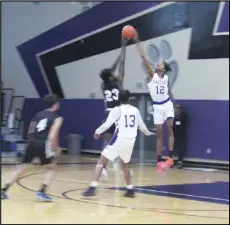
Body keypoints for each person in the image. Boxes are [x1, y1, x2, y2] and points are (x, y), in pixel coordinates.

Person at [82, 90, 154, 198]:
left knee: (101, 161)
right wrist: (149, 133)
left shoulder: (117, 109)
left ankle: (92, 187)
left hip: (119, 139)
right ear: (129, 99)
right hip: (130, 141)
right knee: (124, 165)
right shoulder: (135, 110)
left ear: (118, 99)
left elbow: (107, 124)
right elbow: (142, 127)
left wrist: (97, 131)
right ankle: (130, 190)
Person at [1, 94, 63, 202]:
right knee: (51, 167)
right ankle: (42, 192)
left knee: (22, 168)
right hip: (43, 143)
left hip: (31, 141)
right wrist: (56, 148)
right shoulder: (57, 118)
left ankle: (3, 190)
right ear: (55, 104)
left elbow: (30, 130)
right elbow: (53, 135)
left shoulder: (38, 115)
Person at [134, 34, 175, 172]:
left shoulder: (166, 77)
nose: (159, 63)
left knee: (170, 129)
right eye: (159, 63)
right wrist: (137, 42)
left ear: (163, 68)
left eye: (161, 63)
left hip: (167, 104)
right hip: (157, 107)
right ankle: (158, 160)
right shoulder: (153, 75)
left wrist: (172, 102)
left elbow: (168, 91)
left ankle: (170, 157)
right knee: (159, 133)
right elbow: (145, 60)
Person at [100, 36, 127, 179]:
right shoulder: (118, 83)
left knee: (107, 140)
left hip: (107, 114)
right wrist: (123, 52)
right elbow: (120, 68)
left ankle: (103, 166)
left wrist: (121, 52)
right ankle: (122, 165)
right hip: (117, 113)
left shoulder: (103, 85)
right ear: (110, 76)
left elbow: (111, 70)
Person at [173, 104, 187, 169]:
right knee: (173, 148)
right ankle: (170, 161)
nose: (177, 110)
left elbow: (181, 124)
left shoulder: (183, 116)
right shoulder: (175, 116)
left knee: (180, 149)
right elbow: (174, 125)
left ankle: (180, 161)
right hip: (174, 135)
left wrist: (178, 119)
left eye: (178, 108)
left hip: (181, 135)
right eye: (176, 108)